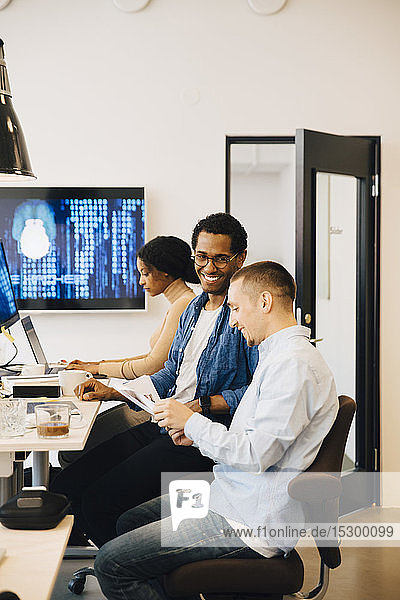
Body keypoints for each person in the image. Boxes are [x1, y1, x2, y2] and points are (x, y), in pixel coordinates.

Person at [93, 261, 339, 600]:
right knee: (130, 520)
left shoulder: (293, 365)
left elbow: (256, 456)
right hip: (232, 495)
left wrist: (192, 421)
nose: (233, 319)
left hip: (250, 521)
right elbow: (250, 439)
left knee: (111, 564)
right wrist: (193, 432)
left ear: (265, 302)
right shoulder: (278, 355)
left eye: (236, 308)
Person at [51, 213, 259, 547]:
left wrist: (200, 406)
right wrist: (114, 390)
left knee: (100, 502)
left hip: (200, 438)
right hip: (163, 424)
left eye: (221, 259)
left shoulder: (244, 313)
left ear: (240, 258)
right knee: (68, 484)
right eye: (202, 257)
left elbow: (255, 389)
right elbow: (168, 374)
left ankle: (134, 575)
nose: (209, 267)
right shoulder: (193, 309)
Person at [66, 235, 198, 379]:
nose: (141, 281)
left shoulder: (183, 304)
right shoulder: (180, 302)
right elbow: (150, 357)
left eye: (145, 274)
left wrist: (99, 368)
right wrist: (97, 364)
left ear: (164, 270)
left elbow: (152, 366)